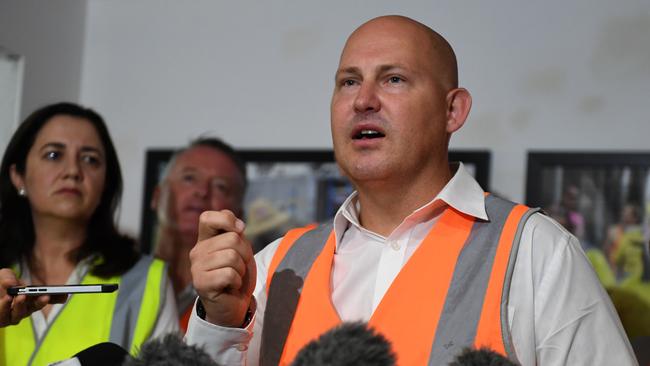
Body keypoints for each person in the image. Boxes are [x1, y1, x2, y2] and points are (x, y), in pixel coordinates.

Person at [184, 15, 637, 365]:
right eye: (349, 82)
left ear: (452, 111)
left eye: (393, 79)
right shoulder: (276, 266)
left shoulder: (536, 254)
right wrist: (220, 321)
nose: (363, 100)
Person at [0, 102, 178, 365]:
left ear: (106, 183)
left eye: (90, 159)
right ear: (18, 176)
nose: (72, 171)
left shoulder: (147, 280)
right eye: (53, 155)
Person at [151, 137, 247, 331]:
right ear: (157, 196)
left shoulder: (246, 301)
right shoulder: (121, 276)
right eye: (189, 178)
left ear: (239, 216)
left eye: (221, 186)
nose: (202, 192)